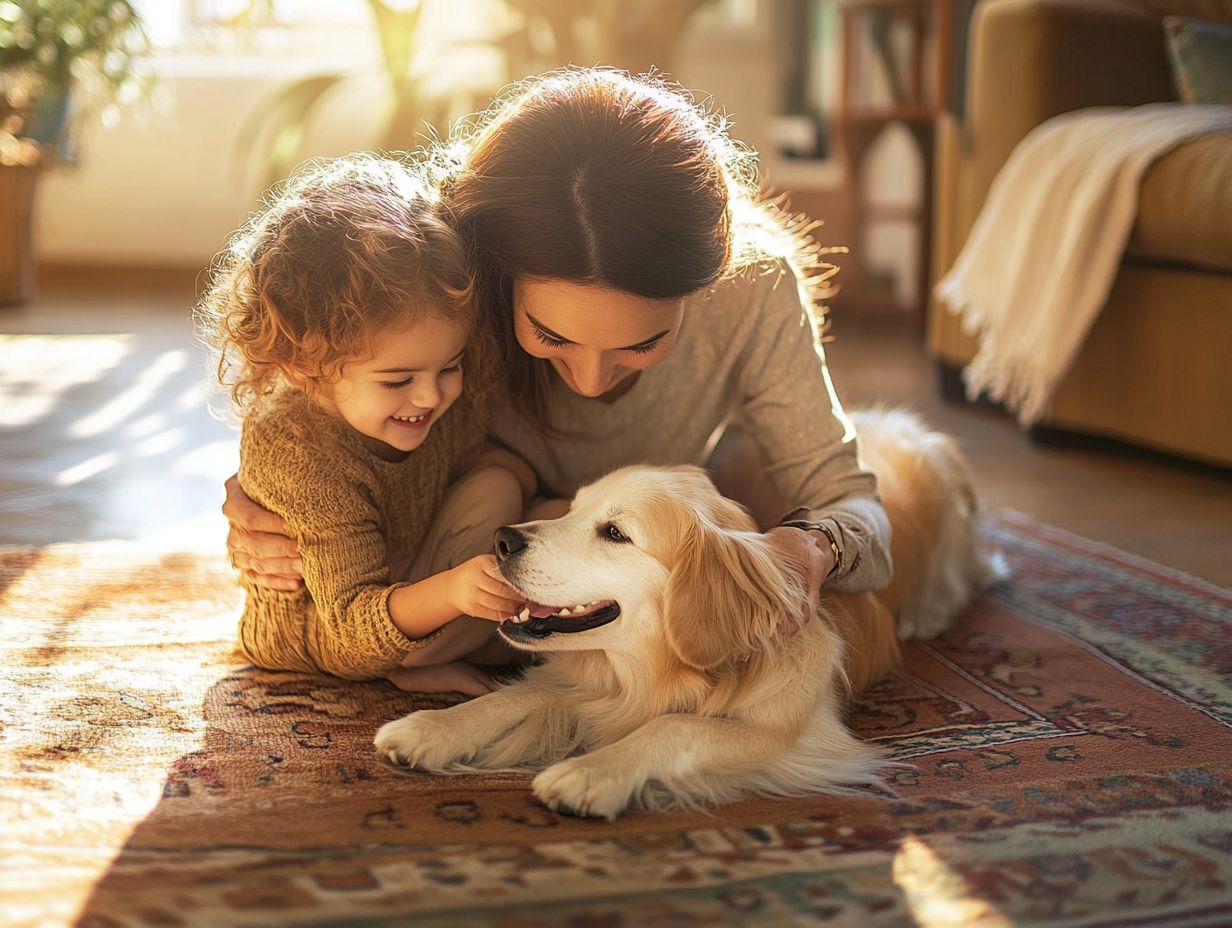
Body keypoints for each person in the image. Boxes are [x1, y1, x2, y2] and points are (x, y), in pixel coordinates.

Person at [224, 69, 893, 635]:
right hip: (460, 578)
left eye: (643, 343)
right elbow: (317, 382)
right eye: (551, 338)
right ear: (494, 274)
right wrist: (268, 503)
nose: (592, 379)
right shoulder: (449, 276)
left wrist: (817, 545)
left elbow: (853, 505)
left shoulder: (753, 290)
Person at [196, 153, 535, 697]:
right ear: (307, 367)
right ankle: (412, 665)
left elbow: (484, 463)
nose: (431, 395)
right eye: (398, 380)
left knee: (520, 498)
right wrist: (451, 591)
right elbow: (347, 630)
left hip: (403, 577)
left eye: (449, 366)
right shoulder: (299, 454)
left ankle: (435, 650)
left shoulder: (435, 387)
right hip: (320, 638)